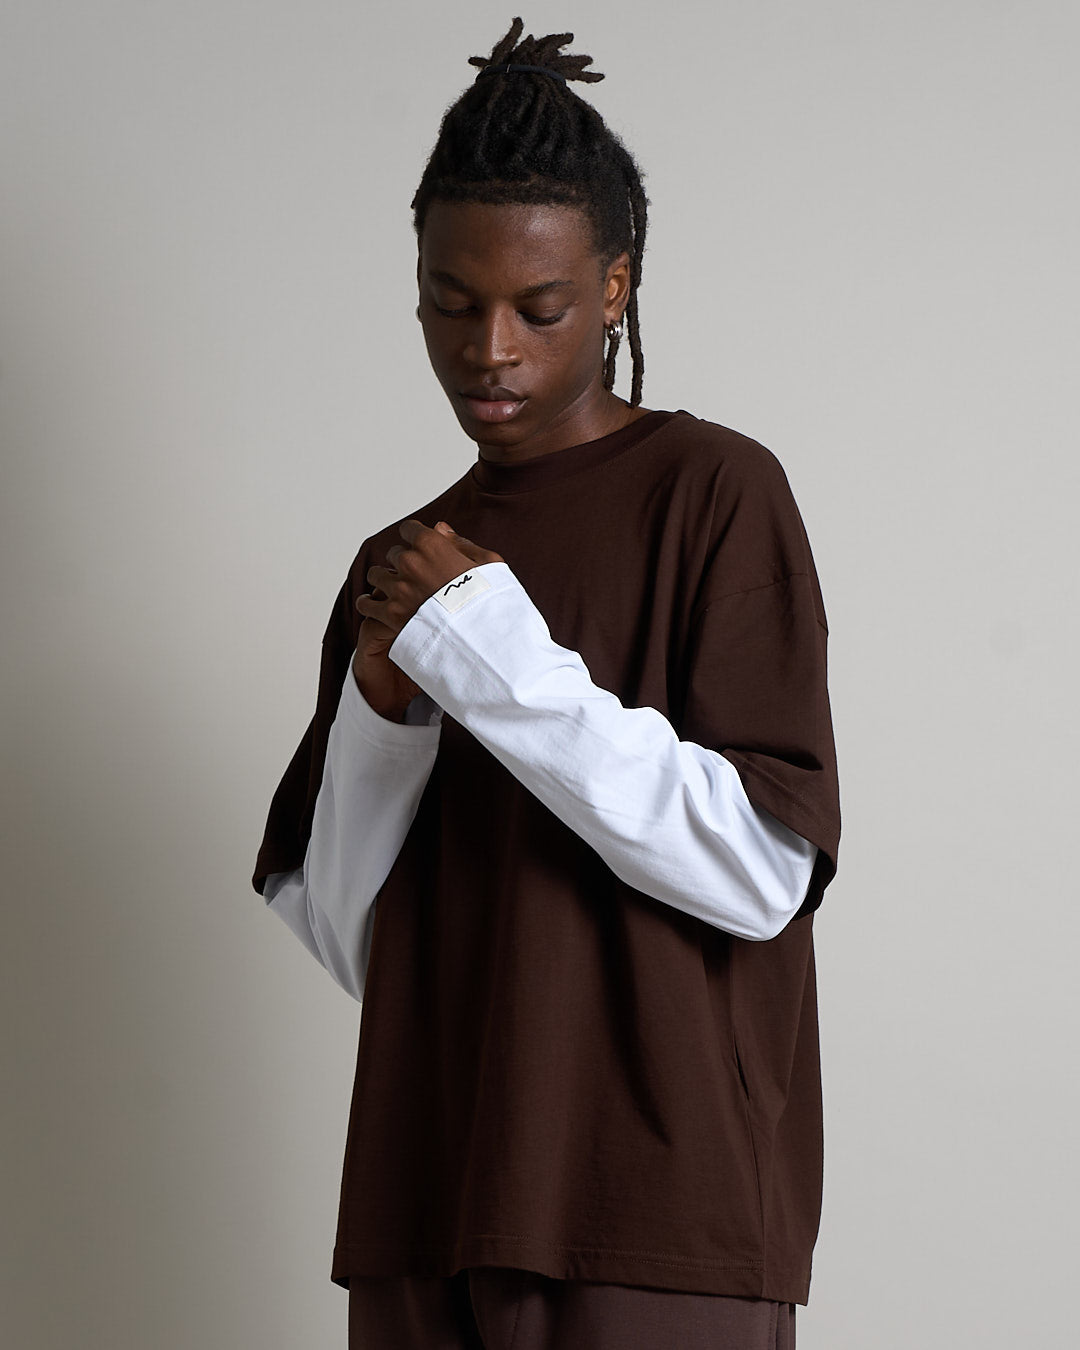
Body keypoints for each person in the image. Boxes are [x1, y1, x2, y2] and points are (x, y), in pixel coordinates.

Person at [251, 17, 841, 1350]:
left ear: (617, 284)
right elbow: (356, 938)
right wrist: (386, 711)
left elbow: (763, 872)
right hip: (424, 1196)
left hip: (658, 1209)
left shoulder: (715, 492)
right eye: (451, 305)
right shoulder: (403, 562)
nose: (492, 350)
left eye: (540, 307)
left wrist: (492, 660)